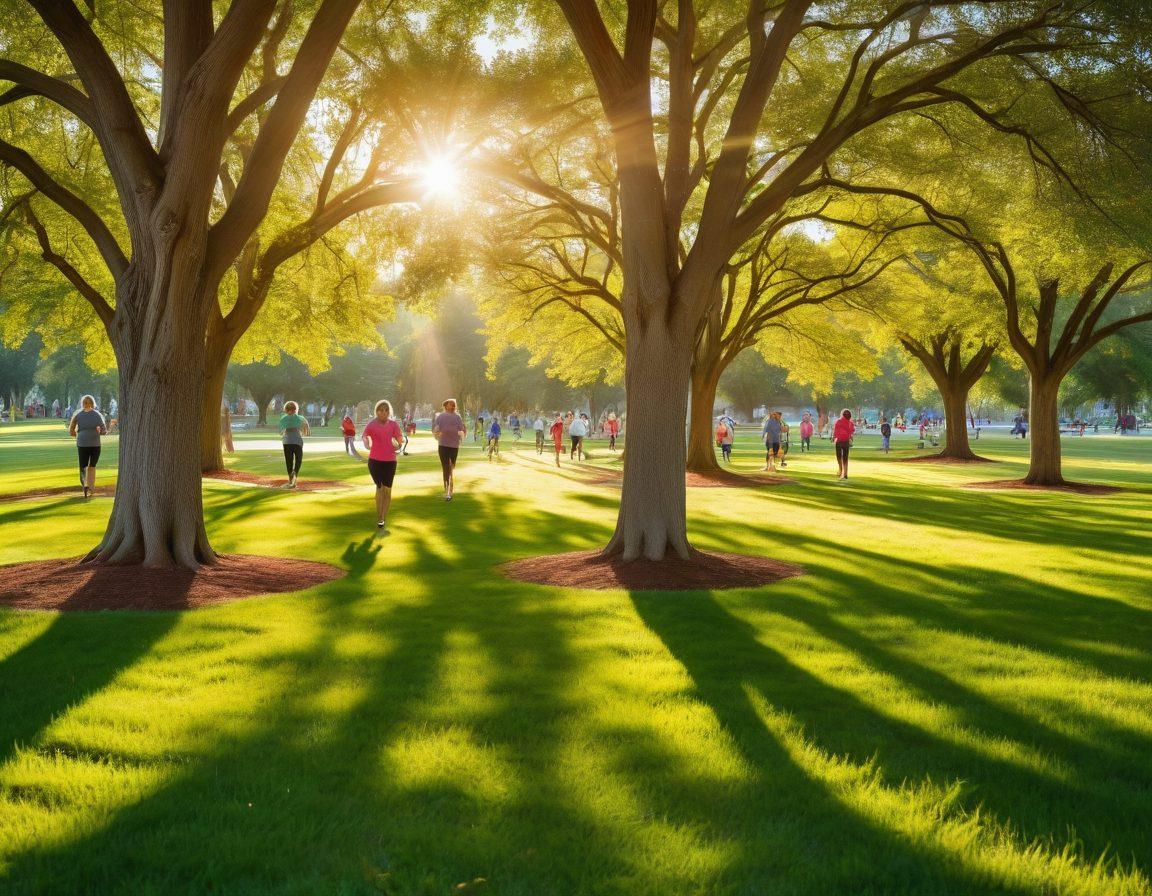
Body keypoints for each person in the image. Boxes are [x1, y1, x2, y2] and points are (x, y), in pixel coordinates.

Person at [361, 399, 405, 529]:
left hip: (390, 461)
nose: (383, 412)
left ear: (389, 411)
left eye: (386, 410)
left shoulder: (393, 425)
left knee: (387, 490)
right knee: (379, 487)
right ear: (377, 411)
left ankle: (383, 517)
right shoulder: (372, 424)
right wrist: (365, 441)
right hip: (374, 461)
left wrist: (398, 443)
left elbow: (400, 439)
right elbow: (364, 435)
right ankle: (379, 515)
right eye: (380, 410)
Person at [69, 395, 106, 498]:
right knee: (92, 466)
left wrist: (74, 433)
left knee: (83, 466)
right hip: (95, 443)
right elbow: (104, 430)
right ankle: (91, 487)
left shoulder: (78, 415)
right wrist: (99, 431)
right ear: (93, 403)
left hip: (82, 443)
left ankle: (85, 485)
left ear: (82, 404)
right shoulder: (97, 415)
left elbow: (71, 430)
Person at [432, 398, 466, 501]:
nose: (453, 406)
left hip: (454, 445)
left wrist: (462, 433)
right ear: (446, 406)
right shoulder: (440, 417)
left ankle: (449, 488)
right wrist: (437, 432)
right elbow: (434, 429)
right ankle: (447, 491)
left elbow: (463, 429)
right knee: (446, 467)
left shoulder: (457, 417)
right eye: (451, 404)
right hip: (443, 445)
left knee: (451, 467)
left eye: (454, 405)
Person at [279, 400, 310, 488]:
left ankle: (290, 478)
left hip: (287, 442)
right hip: (297, 442)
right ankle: (295, 473)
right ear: (296, 409)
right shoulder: (300, 418)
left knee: (289, 461)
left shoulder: (283, 418)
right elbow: (306, 431)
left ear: (286, 409)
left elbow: (281, 431)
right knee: (298, 460)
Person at [833, 408, 855, 480]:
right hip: (846, 441)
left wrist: (834, 438)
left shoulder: (838, 421)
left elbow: (835, 431)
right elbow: (851, 432)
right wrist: (851, 439)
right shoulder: (850, 423)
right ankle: (845, 474)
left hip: (839, 441)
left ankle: (840, 470)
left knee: (839, 457)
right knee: (845, 458)